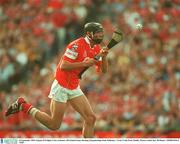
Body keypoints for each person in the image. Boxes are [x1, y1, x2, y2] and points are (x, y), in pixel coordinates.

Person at [5, 22, 109, 138]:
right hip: (62, 85)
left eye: (101, 34)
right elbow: (63, 65)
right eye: (98, 34)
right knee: (54, 125)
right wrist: (83, 63)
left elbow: (103, 70)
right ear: (89, 34)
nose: (100, 36)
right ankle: (23, 106)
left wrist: (104, 57)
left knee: (90, 118)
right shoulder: (76, 45)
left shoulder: (97, 48)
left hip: (74, 86)